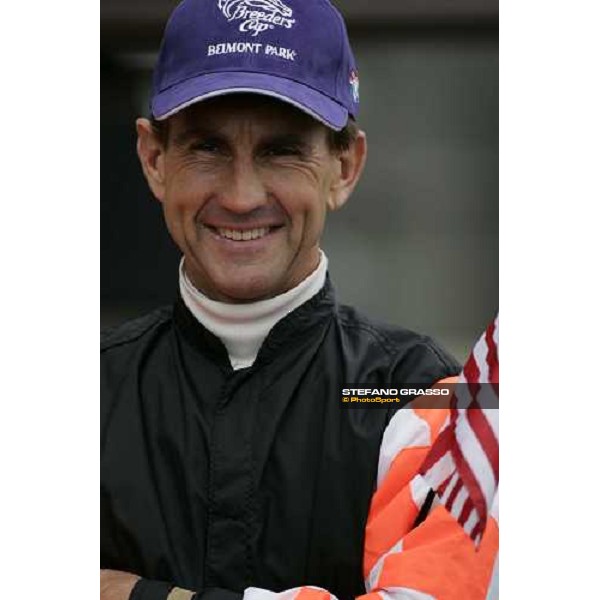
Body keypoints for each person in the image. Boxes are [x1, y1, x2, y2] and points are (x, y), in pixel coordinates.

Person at [101, 1, 498, 599]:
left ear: (345, 166)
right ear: (154, 160)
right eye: (207, 147)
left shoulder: (429, 393)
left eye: (280, 151)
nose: (240, 196)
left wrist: (140, 594)